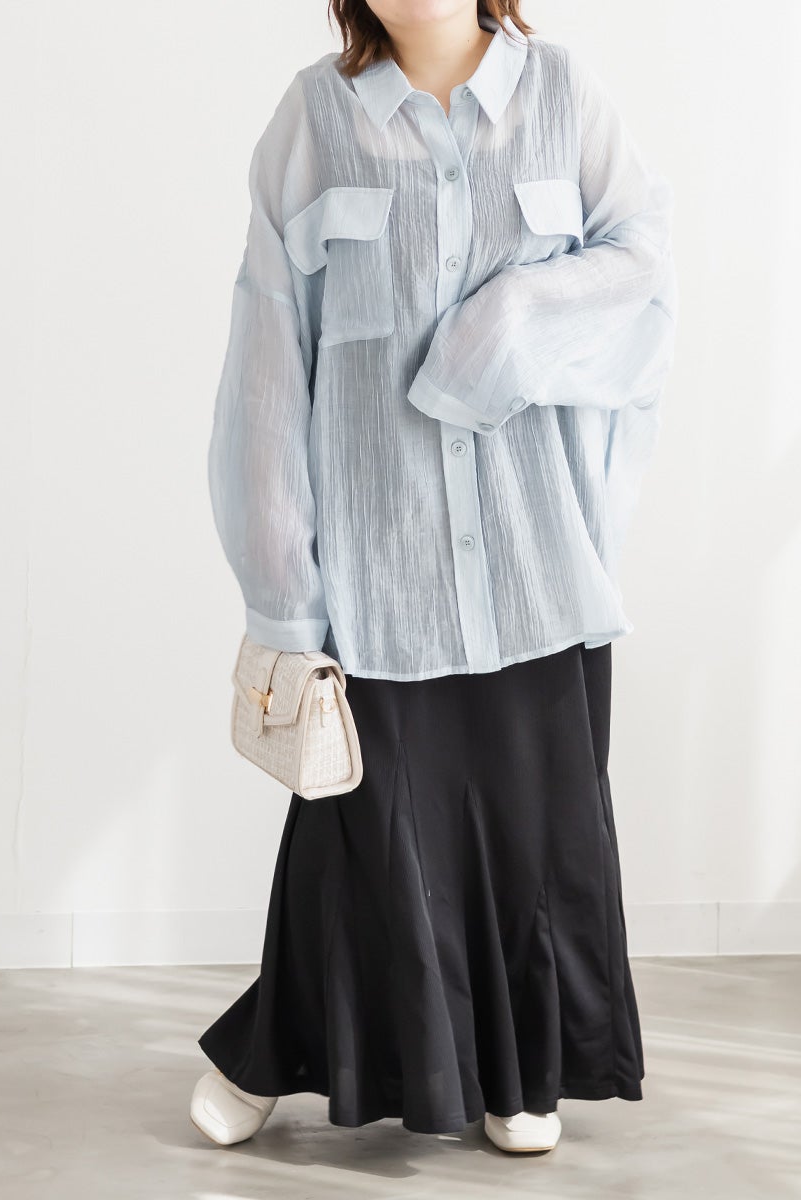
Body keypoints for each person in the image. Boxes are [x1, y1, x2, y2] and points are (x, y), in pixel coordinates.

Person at [191, 0, 677, 1155]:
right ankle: (271, 1054)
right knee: (357, 843)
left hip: (534, 567)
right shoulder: (311, 122)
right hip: (379, 577)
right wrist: (284, 595)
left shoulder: (565, 98)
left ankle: (518, 1074)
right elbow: (267, 369)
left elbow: (644, 276)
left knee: (534, 837)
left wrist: (507, 324)